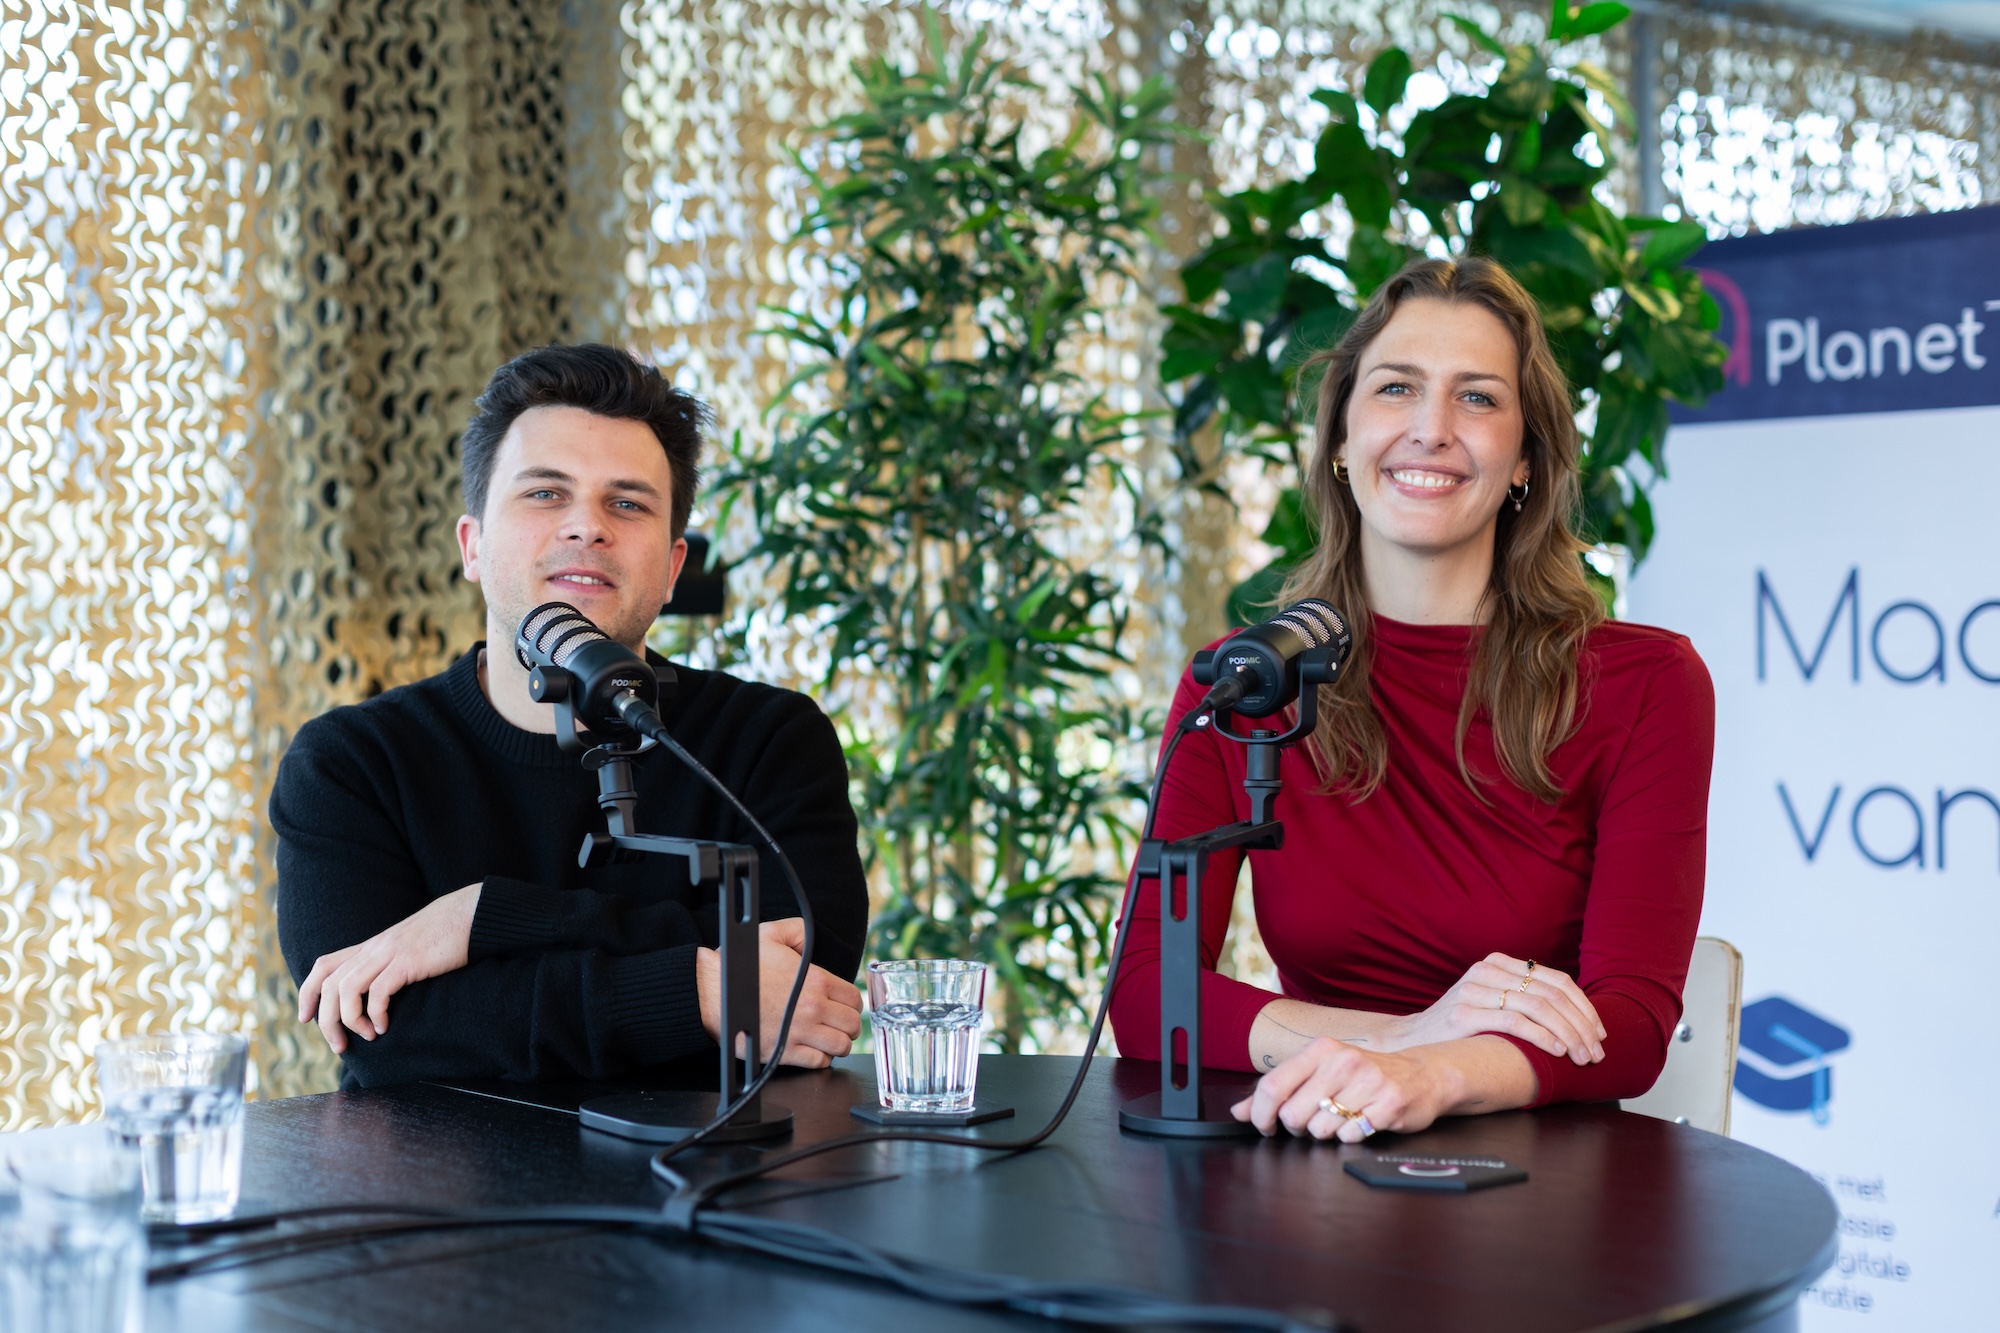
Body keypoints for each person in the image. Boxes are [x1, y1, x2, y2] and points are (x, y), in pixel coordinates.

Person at [1109, 257, 1714, 1142]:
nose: (1431, 429)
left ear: (1525, 462)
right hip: (1315, 1145)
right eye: (1396, 388)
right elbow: (1146, 993)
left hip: (1541, 1186)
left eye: (1476, 398)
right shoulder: (1246, 683)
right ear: (1342, 443)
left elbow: (1629, 1022)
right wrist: (1400, 1042)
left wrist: (1432, 1073)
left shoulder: (1644, 684)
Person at [271, 344, 870, 1089]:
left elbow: (801, 991)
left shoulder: (771, 740)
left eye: (627, 503)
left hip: (730, 1188)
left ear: (674, 567)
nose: (588, 526)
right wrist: (698, 990)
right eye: (545, 493)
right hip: (441, 1202)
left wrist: (484, 919)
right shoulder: (352, 763)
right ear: (473, 545)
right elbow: (392, 1037)